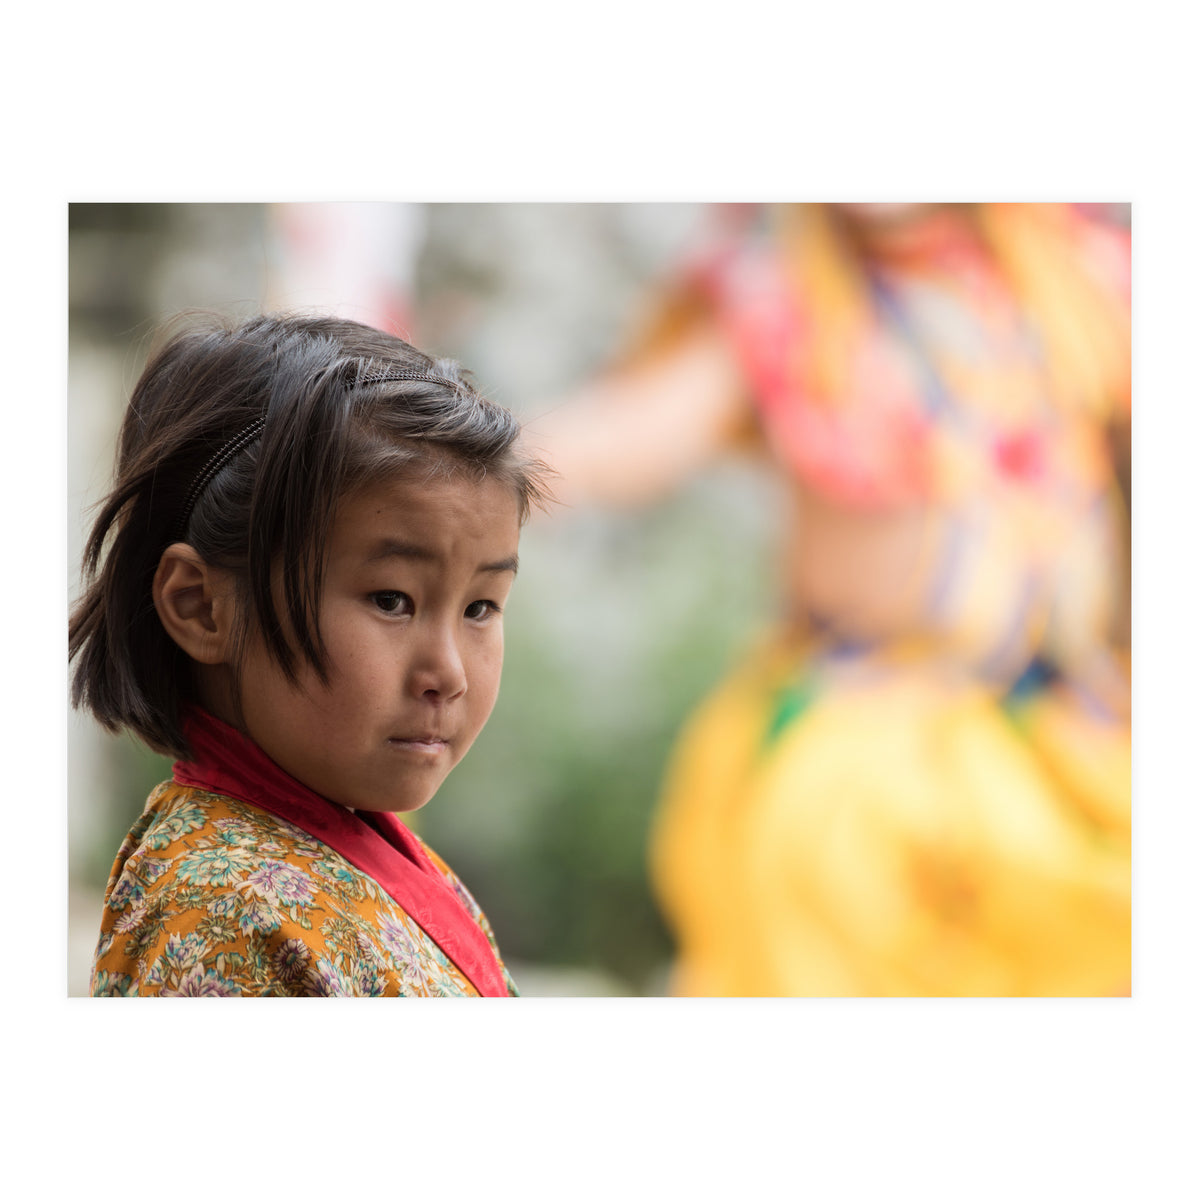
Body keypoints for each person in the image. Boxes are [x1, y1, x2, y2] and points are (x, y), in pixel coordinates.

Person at [528, 203, 1131, 996]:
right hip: (868, 745)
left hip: (1067, 734)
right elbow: (629, 437)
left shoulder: (1073, 277)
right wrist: (454, 465)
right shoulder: (780, 291)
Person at [71, 312, 549, 997]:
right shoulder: (224, 911)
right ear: (201, 606)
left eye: (480, 607)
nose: (447, 672)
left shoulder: (358, 849)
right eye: (391, 600)